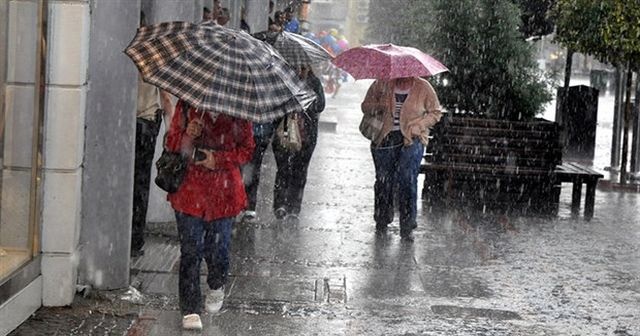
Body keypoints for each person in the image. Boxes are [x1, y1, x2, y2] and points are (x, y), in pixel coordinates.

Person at [165, 100, 254, 330]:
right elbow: (172, 142)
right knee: (191, 250)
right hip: (190, 191)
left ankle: (217, 283)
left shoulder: (239, 110)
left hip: (224, 193)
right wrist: (188, 135)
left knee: (219, 249)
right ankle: (190, 308)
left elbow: (247, 149)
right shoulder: (187, 106)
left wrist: (219, 160)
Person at [360, 77, 442, 241]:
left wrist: (419, 126)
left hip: (412, 139)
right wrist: (380, 106)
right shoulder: (381, 84)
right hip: (384, 137)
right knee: (383, 179)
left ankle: (407, 224)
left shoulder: (423, 87)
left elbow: (435, 112)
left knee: (407, 178)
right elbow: (365, 106)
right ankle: (382, 218)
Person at [131, 11, 174, 258]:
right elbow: (165, 96)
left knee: (129, 183)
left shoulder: (123, 53)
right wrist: (170, 127)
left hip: (131, 124)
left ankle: (127, 235)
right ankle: (136, 239)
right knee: (140, 182)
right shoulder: (154, 54)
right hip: (147, 123)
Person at [272, 65, 325, 221]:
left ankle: (294, 206)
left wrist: (305, 102)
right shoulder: (284, 80)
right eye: (297, 66)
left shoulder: (314, 83)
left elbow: (320, 105)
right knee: (283, 169)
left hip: (306, 134)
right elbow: (274, 103)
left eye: (304, 67)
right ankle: (280, 204)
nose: (300, 70)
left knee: (300, 171)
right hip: (286, 130)